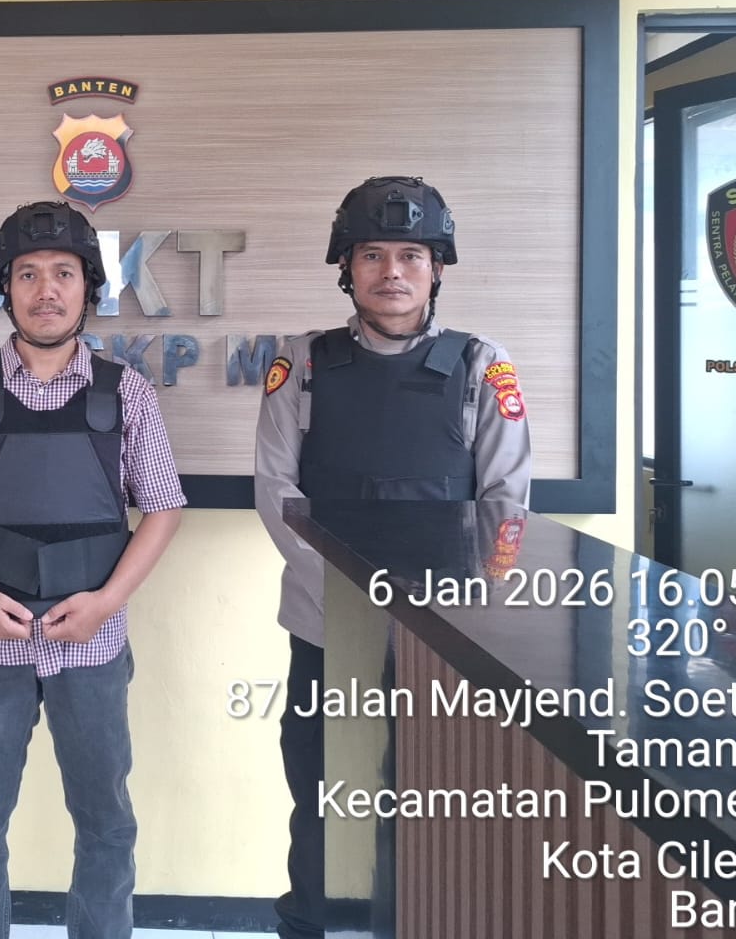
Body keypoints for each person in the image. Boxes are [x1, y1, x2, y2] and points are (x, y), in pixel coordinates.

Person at [252, 175, 532, 939]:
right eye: (371, 254)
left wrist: (472, 605)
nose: (391, 272)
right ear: (347, 268)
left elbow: (505, 502)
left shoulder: (482, 364)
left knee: (428, 810)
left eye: (410, 255)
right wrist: (353, 600)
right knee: (319, 802)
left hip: (442, 639)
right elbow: (277, 493)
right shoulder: (301, 362)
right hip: (324, 629)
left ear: (436, 268)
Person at [0, 200, 185, 939]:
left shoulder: (126, 392)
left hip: (92, 645)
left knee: (106, 824)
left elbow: (162, 509)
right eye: (27, 274)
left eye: (63, 273)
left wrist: (105, 604)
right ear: (5, 286)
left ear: (88, 288)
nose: (46, 290)